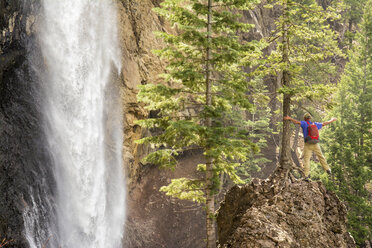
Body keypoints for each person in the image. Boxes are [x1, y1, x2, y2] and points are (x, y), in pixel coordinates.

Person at [283, 113, 337, 181]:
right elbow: (324, 123)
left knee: (307, 160)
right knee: (321, 156)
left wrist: (289, 118)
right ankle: (327, 169)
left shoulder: (304, 123)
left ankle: (306, 176)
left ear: (305, 118)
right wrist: (331, 120)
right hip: (316, 144)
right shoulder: (315, 124)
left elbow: (296, 122)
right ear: (310, 118)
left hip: (308, 144)